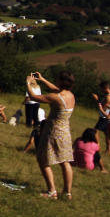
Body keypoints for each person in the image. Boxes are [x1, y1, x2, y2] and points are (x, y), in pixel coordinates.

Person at [26, 70, 76, 200]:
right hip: (65, 131)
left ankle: (52, 191)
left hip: (53, 131)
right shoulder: (70, 95)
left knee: (42, 159)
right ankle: (67, 193)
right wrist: (42, 79)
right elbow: (56, 88)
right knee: (65, 162)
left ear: (61, 81)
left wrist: (28, 83)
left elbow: (33, 97)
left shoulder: (55, 98)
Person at [91, 81, 110, 155]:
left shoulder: (108, 97)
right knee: (106, 134)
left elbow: (103, 108)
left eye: (101, 89)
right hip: (105, 117)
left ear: (105, 88)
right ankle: (108, 149)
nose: (101, 91)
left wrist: (97, 99)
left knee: (95, 131)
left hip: (104, 118)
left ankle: (98, 147)